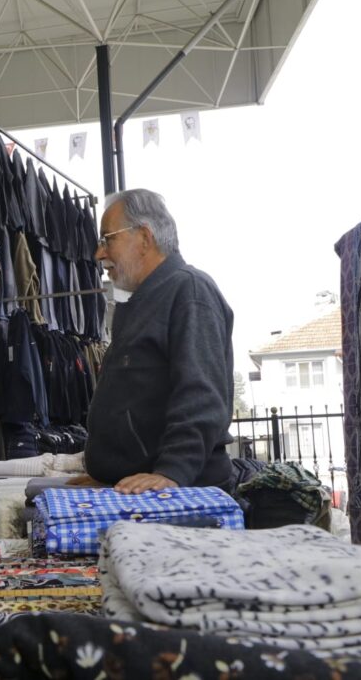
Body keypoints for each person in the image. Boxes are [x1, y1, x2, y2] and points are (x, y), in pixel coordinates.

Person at [80, 189, 234, 495]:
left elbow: (201, 395)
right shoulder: (144, 302)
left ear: (144, 237)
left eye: (107, 239)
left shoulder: (190, 292)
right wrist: (110, 477)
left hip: (180, 493)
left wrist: (172, 472)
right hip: (143, 488)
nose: (99, 253)